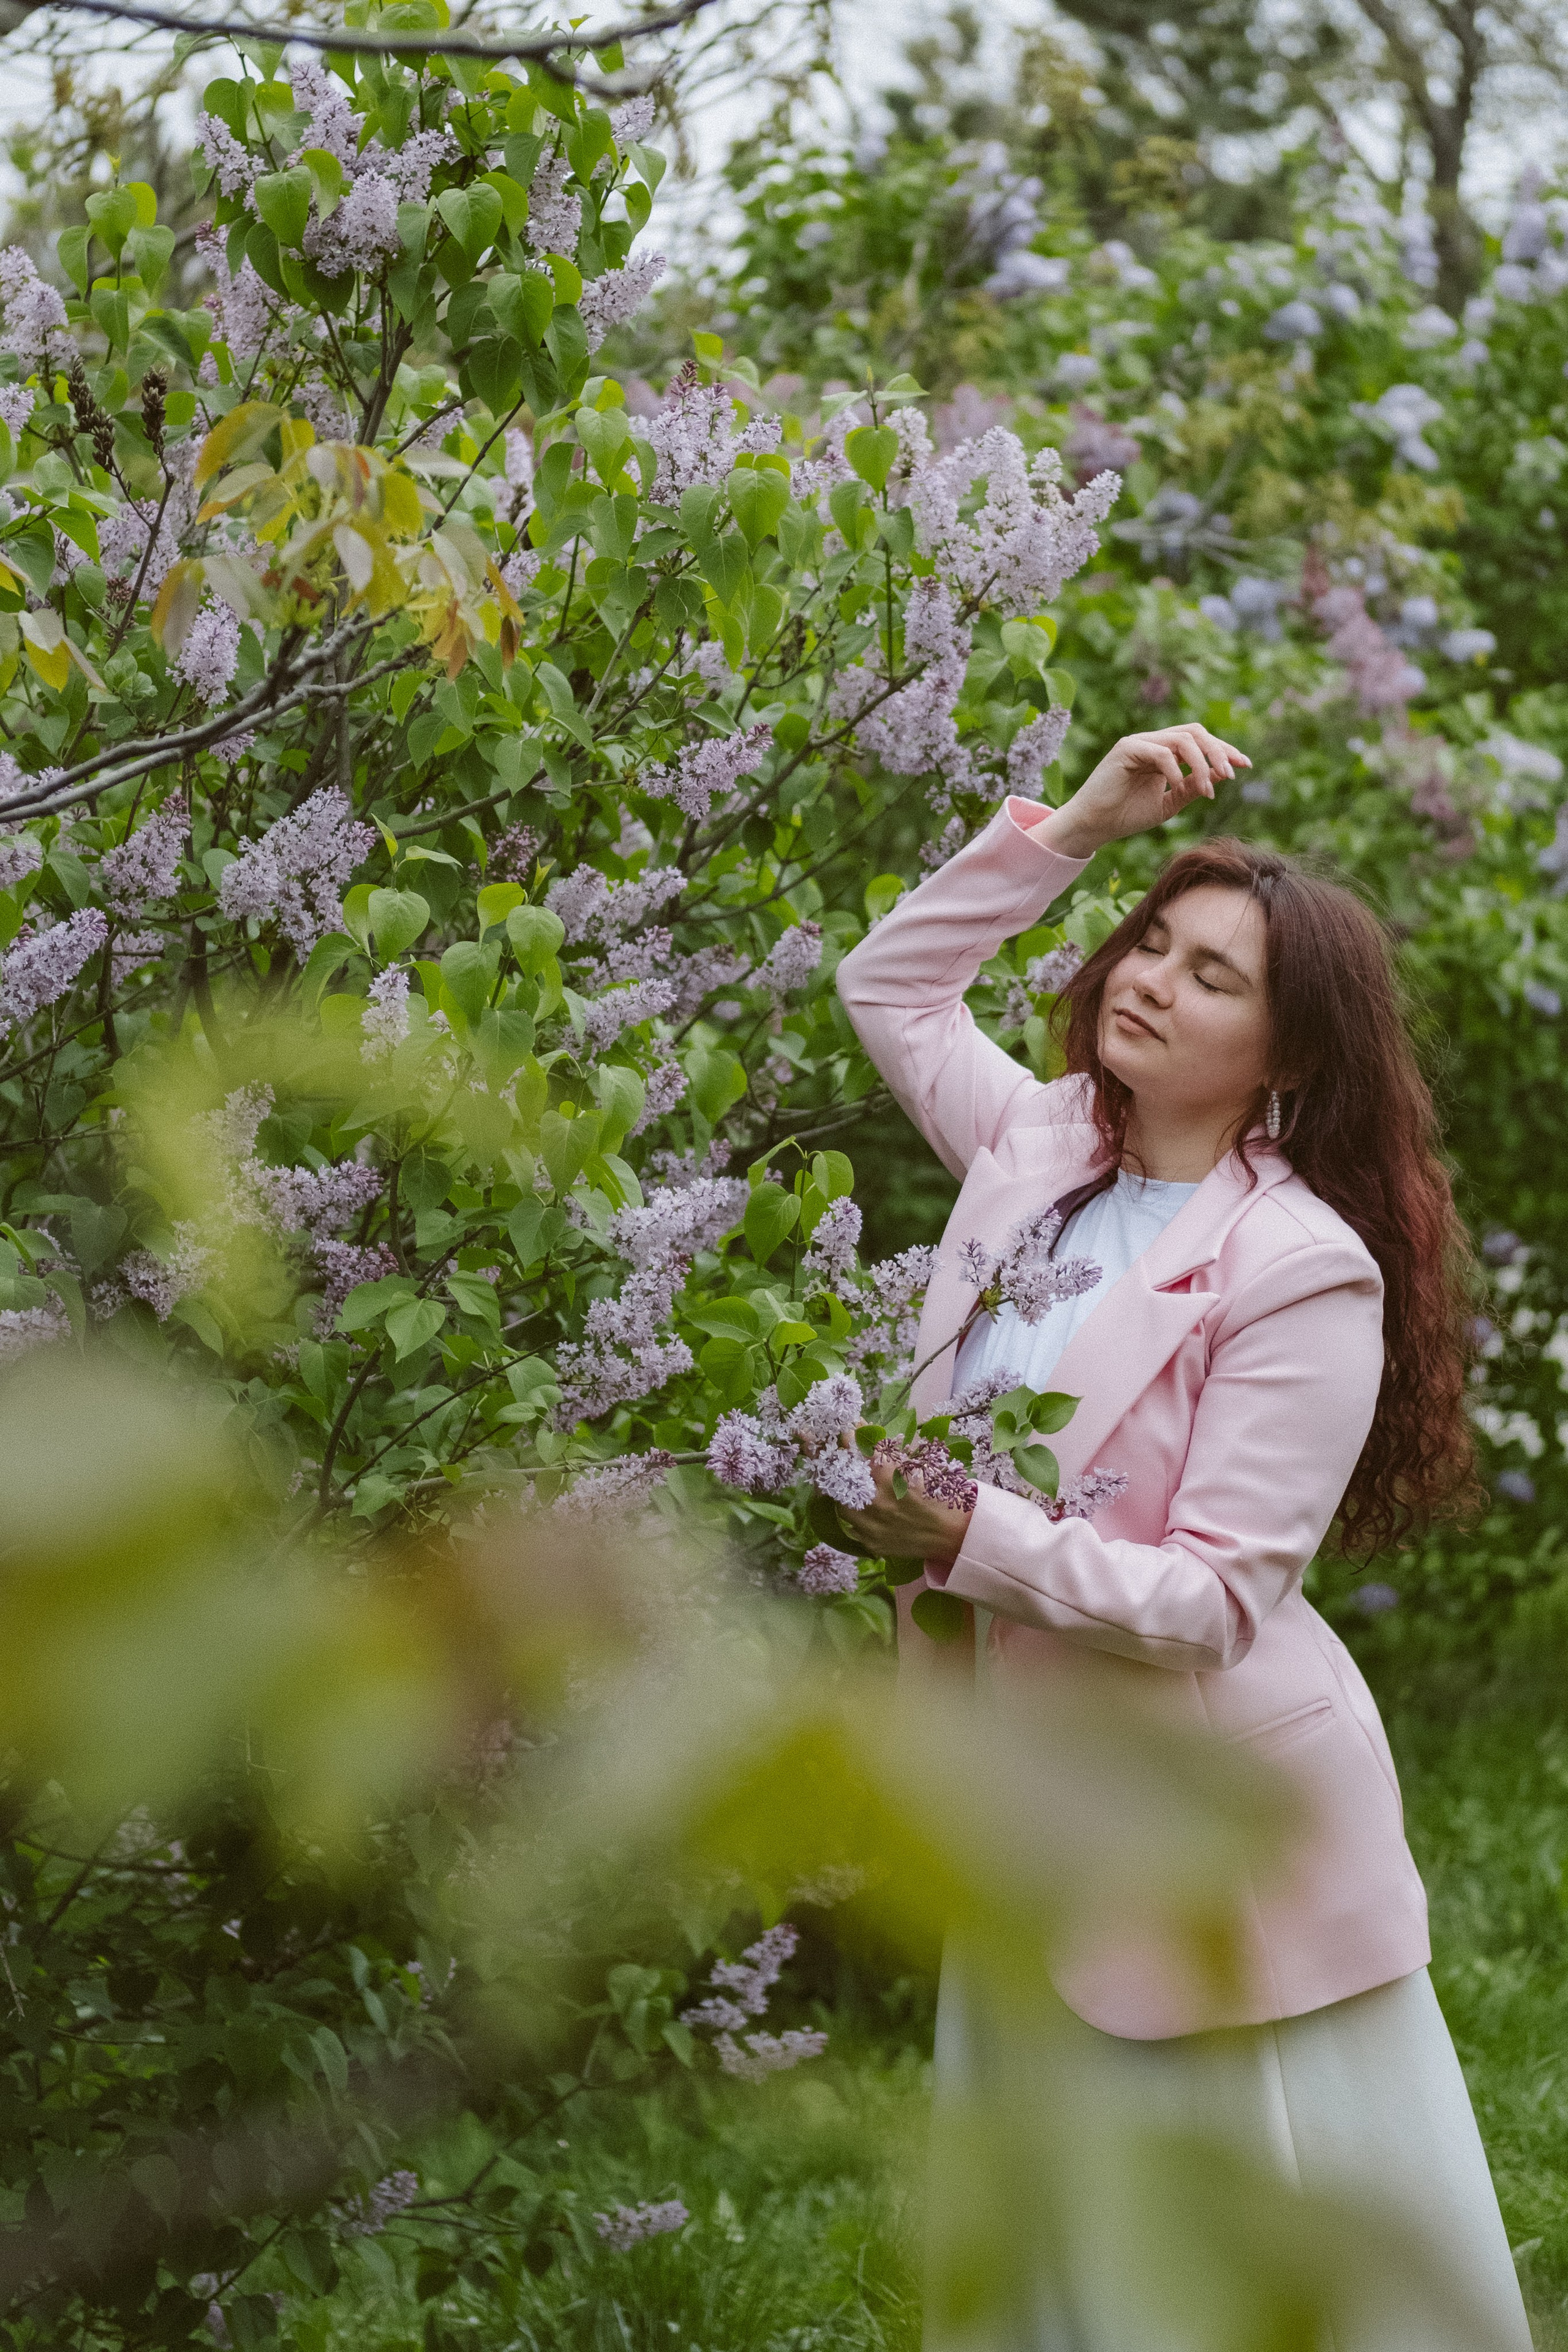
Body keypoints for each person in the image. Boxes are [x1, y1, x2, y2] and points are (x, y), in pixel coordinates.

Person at [834, 726, 1532, 2351]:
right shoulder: (1043, 1151)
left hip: (1207, 1821)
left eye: (1215, 977)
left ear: (1288, 1056)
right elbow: (892, 990)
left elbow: (1215, 1601)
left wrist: (963, 1532)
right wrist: (1079, 826)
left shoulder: (1299, 1268)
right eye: (1155, 939)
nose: (1151, 979)